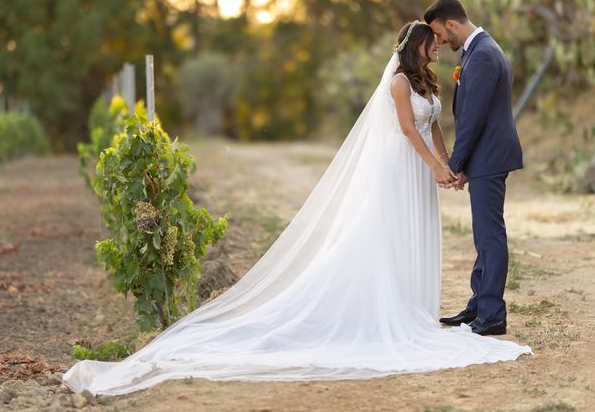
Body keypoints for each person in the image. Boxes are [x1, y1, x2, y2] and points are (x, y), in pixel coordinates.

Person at [63, 20, 530, 397]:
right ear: (416, 45)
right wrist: (434, 167)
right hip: (399, 169)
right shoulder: (399, 83)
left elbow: (434, 131)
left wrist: (448, 166)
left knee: (413, 234)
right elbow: (409, 132)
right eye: (431, 41)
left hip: (422, 170)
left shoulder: (430, 82)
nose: (438, 46)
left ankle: (416, 305)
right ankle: (385, 306)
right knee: (382, 234)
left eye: (438, 39)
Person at [424, 0, 524, 336]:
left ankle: (493, 313)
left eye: (439, 33)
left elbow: (473, 119)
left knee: (490, 234)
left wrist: (455, 163)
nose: (439, 41)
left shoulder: (482, 54)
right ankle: (479, 304)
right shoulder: (477, 50)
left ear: (451, 24)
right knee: (484, 234)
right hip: (486, 155)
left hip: (490, 155)